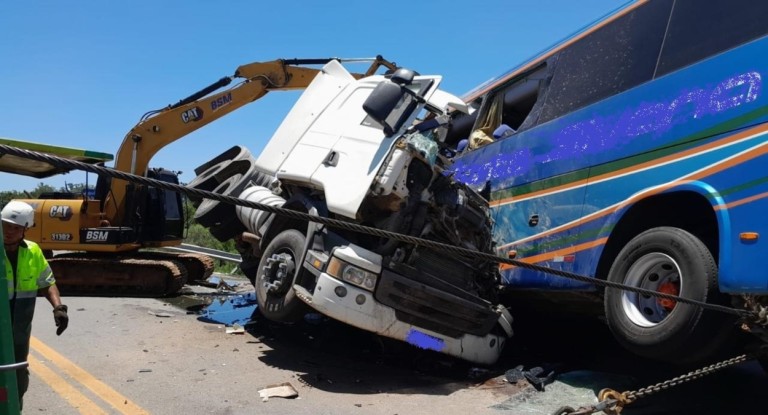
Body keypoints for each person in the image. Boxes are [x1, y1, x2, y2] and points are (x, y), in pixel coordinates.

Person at [2, 200, 68, 410]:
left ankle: (15, 408)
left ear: (25, 229)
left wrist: (58, 307)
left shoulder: (33, 251)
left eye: (15, 227)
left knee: (18, 374)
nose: (8, 231)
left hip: (20, 328)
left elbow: (48, 282)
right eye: (5, 226)